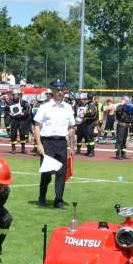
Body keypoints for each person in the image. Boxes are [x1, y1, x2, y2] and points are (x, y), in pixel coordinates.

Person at [33, 79, 77, 208]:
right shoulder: (44, 107)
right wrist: (39, 144)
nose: (60, 92)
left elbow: (71, 128)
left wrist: (72, 146)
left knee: (61, 173)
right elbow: (37, 125)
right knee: (46, 173)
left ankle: (58, 199)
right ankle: (42, 196)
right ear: (52, 91)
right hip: (47, 142)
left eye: (62, 89)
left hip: (61, 143)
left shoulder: (68, 108)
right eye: (57, 89)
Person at [6, 88, 32, 154]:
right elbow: (6, 110)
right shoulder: (10, 102)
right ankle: (13, 149)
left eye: (16, 94)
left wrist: (24, 113)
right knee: (13, 134)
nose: (15, 96)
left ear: (19, 95)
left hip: (22, 120)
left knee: (22, 134)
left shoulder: (23, 102)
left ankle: (23, 149)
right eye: (14, 94)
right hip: (14, 120)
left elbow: (28, 109)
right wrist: (9, 113)